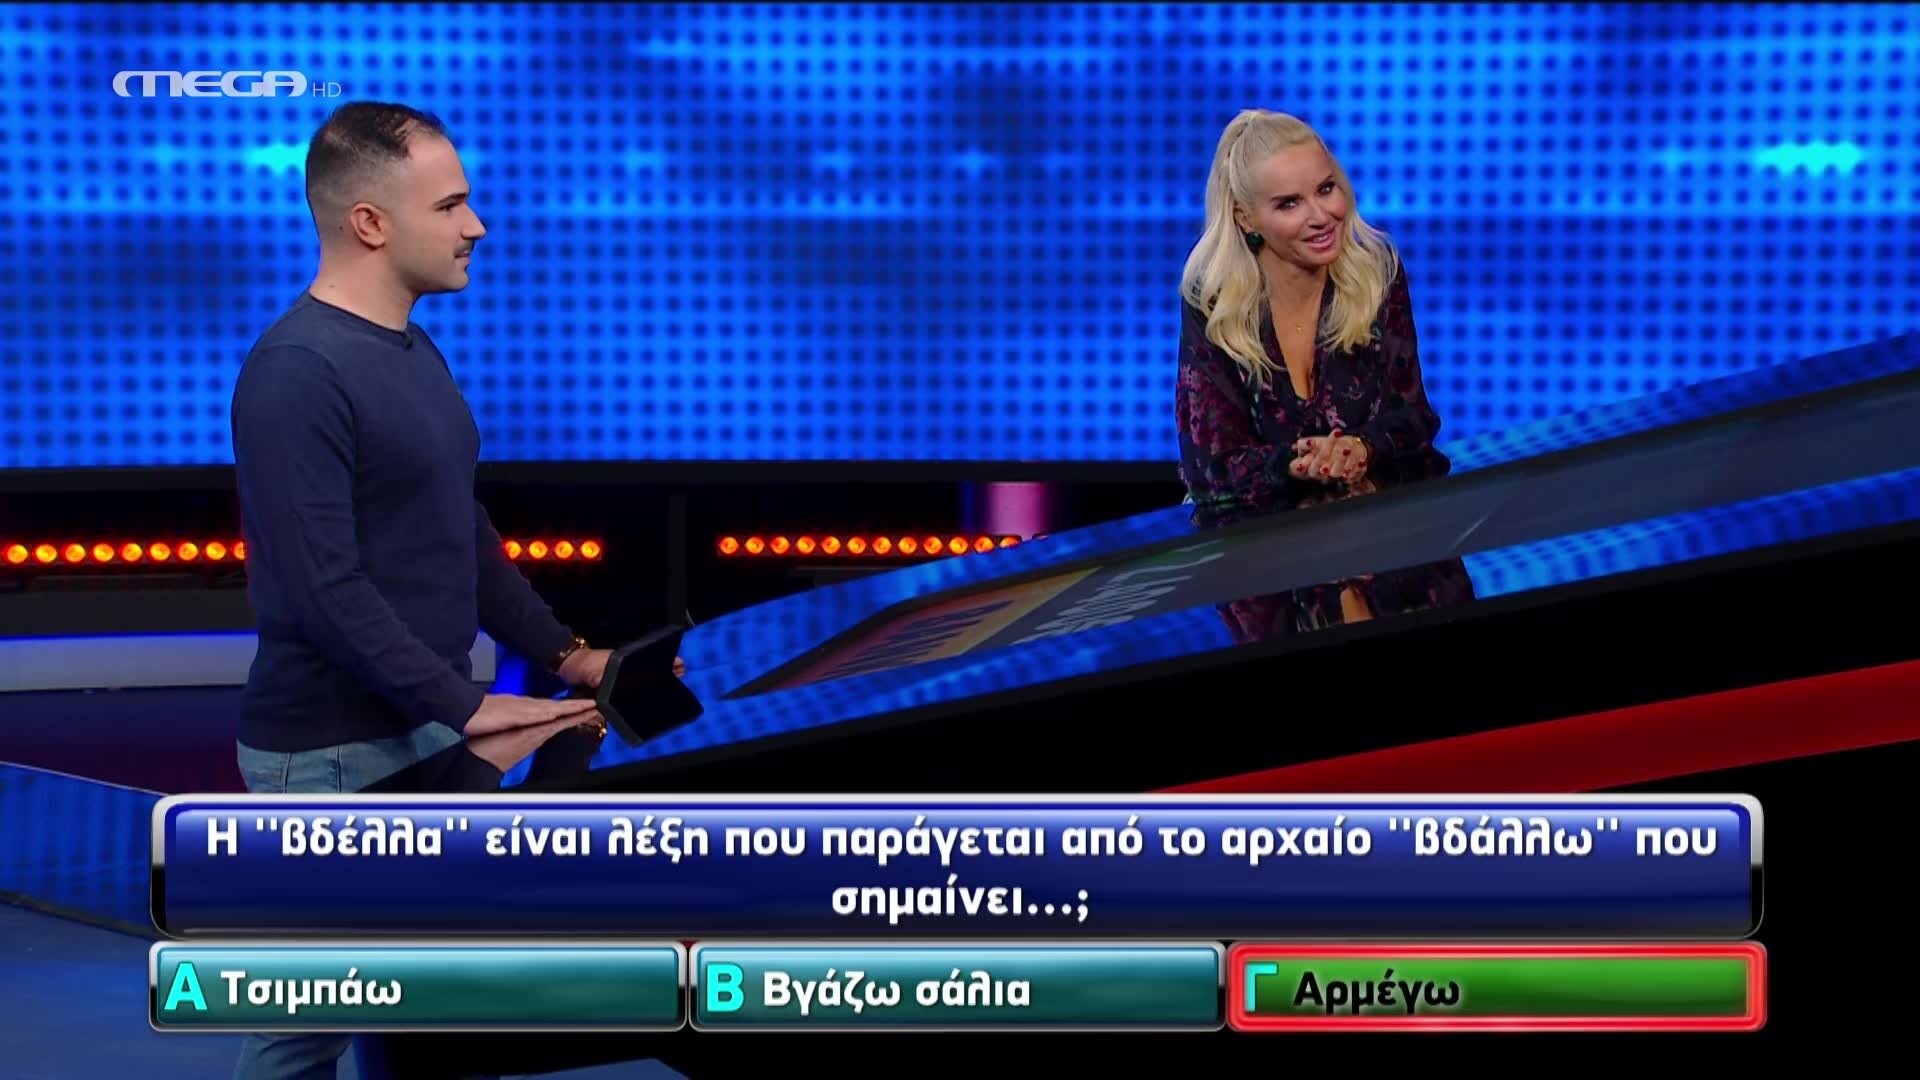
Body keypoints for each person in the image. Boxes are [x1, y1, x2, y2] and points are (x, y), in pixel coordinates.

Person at [227, 101, 671, 1079]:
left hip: (423, 728)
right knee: (307, 1022)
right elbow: (321, 592)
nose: (476, 225)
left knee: (433, 1007)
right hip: (332, 755)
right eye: (450, 205)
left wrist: (565, 655)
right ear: (370, 222)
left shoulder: (412, 350)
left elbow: (457, 532)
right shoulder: (297, 372)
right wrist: (465, 706)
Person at [1174, 109, 1475, 642]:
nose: (1321, 216)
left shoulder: (1375, 271)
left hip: (1394, 548)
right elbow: (1212, 468)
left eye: (1326, 189)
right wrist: (1300, 461)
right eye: (1289, 203)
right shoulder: (1215, 301)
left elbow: (1414, 419)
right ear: (1246, 218)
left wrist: (1363, 447)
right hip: (1272, 566)